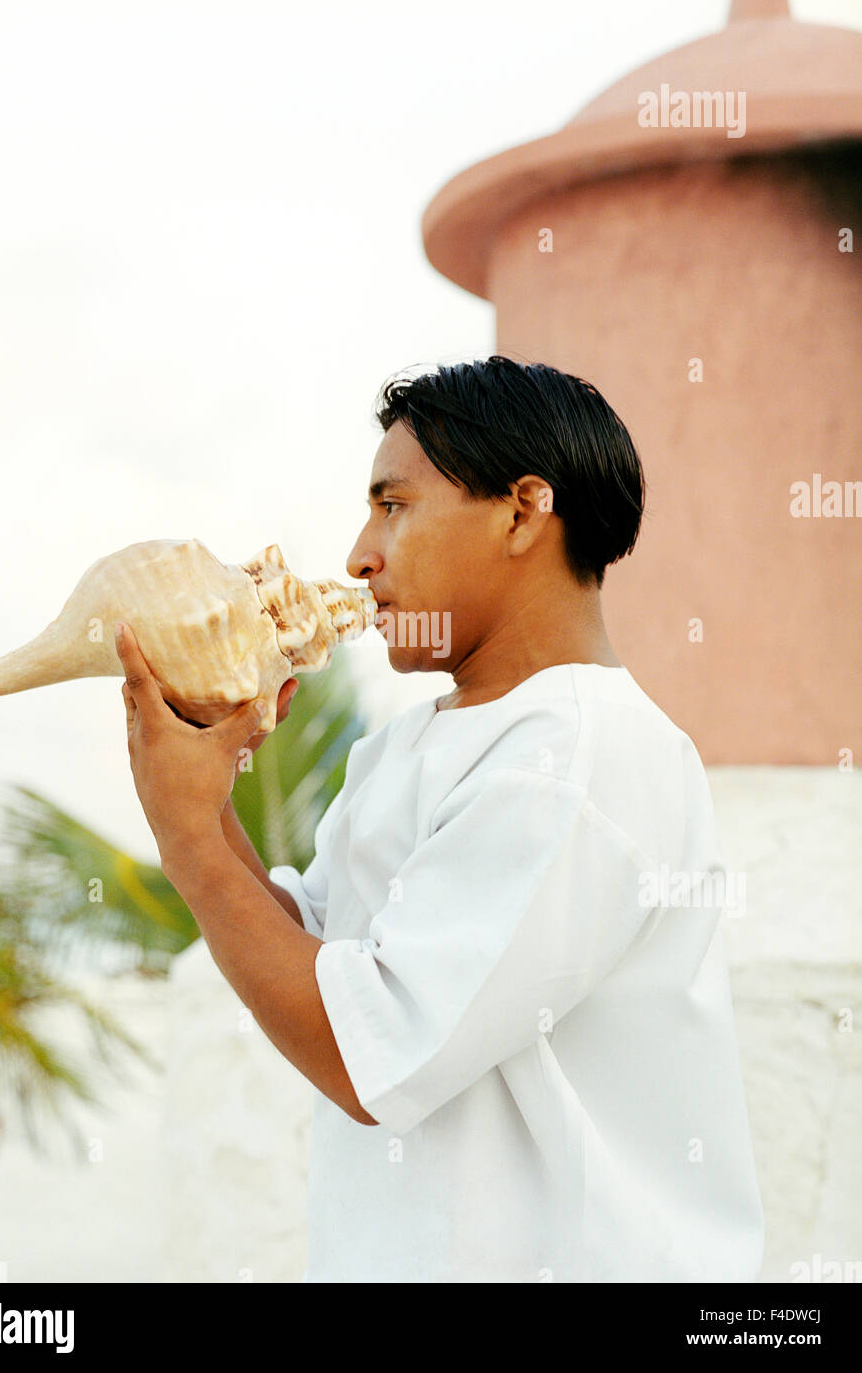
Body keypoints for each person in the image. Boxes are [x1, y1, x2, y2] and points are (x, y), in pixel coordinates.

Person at [116, 355, 764, 1283]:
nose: (358, 556)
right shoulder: (412, 744)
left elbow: (361, 1052)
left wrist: (187, 841)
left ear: (521, 511)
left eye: (395, 505)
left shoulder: (575, 754)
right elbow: (310, 952)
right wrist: (196, 791)